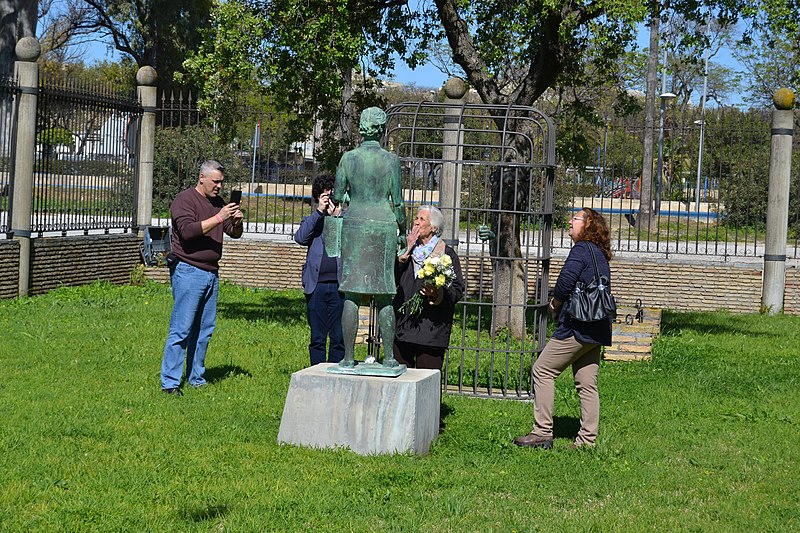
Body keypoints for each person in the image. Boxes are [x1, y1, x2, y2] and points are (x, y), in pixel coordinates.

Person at [514, 207, 613, 449]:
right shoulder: (600, 253)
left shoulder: (580, 250)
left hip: (578, 325)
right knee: (587, 383)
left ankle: (542, 432)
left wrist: (555, 303)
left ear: (588, 224)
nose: (569, 221)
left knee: (542, 370)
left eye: (575, 218)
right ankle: (587, 440)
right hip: (598, 326)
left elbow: (565, 281)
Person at [160, 160, 243, 396]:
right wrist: (219, 217)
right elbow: (187, 231)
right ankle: (170, 382)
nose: (219, 186)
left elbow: (233, 233)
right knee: (182, 329)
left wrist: (236, 222)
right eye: (215, 181)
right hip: (188, 271)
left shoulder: (218, 203)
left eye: (221, 182)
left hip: (211, 273)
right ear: (202, 178)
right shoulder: (184, 200)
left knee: (204, 330)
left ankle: (196, 376)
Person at [332, 106, 406, 368]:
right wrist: (403, 230)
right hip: (383, 224)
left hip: (354, 224)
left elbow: (338, 195)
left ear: (362, 129)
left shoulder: (348, 158)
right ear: (383, 129)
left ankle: (348, 358)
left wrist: (351, 197)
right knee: (385, 293)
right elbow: (397, 201)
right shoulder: (390, 160)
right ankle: (388, 360)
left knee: (351, 293)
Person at [393, 205, 464, 371]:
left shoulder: (446, 254)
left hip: (431, 331)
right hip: (403, 328)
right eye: (416, 218)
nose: (416, 223)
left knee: (427, 385)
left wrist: (438, 293)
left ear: (434, 228)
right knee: (401, 383)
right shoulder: (405, 251)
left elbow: (457, 290)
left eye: (421, 219)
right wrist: (404, 254)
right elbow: (389, 280)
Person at [294, 174, 344, 366]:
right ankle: (316, 371)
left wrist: (336, 218)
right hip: (316, 286)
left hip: (340, 286)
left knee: (339, 337)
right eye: (325, 197)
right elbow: (300, 238)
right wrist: (319, 212)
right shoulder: (313, 220)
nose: (329, 200)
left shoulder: (344, 220)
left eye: (331, 196)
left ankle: (336, 372)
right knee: (317, 337)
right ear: (317, 197)